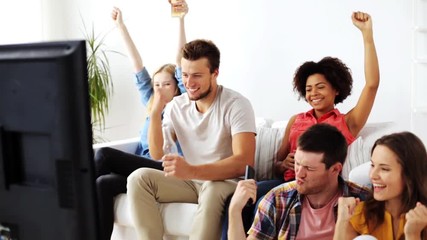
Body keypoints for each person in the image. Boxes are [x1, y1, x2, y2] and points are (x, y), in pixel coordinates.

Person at [221, 11, 380, 239]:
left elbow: (372, 85)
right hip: (286, 184)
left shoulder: (347, 122)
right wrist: (282, 162)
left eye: (320, 87)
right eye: (308, 89)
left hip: (320, 186)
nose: (313, 93)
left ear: (336, 89)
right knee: (241, 199)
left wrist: (367, 35)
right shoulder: (297, 120)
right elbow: (277, 163)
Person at [126, 39, 257, 240]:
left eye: (197, 75)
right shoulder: (176, 106)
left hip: (227, 181)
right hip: (193, 181)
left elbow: (243, 162)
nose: (189, 83)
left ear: (215, 73)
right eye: (185, 75)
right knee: (139, 178)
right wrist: (155, 114)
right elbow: (157, 153)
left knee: (213, 189)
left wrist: (192, 170)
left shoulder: (237, 105)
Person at [94, 2, 188, 240]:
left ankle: (72, 208)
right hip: (139, 169)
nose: (160, 89)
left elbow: (181, 62)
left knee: (104, 155)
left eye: (166, 84)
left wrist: (180, 19)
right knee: (104, 183)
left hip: (163, 169)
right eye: (156, 85)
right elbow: (137, 65)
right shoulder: (151, 102)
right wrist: (121, 26)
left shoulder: (183, 105)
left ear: (177, 88)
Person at [228, 123, 370, 239]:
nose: (299, 174)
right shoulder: (278, 199)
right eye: (297, 163)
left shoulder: (363, 199)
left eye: (309, 168)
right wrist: (234, 210)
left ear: (335, 169)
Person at [334, 132, 427, 240]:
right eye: (373, 165)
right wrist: (342, 220)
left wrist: (413, 235)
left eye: (384, 169)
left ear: (410, 175)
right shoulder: (359, 214)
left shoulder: (423, 217)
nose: (372, 175)